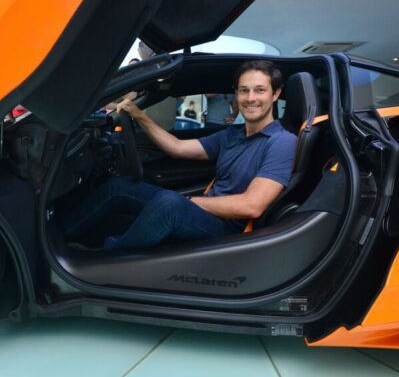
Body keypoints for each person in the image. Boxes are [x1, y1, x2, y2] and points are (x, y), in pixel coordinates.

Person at [63, 60, 297, 250]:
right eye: (244, 90)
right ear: (236, 94)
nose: (251, 98)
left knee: (171, 204)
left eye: (260, 90)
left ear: (275, 94)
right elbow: (177, 147)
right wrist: (138, 114)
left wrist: (191, 203)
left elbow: (252, 206)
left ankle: (106, 257)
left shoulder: (282, 142)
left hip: (231, 231)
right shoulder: (231, 135)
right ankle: (61, 237)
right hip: (207, 213)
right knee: (119, 186)